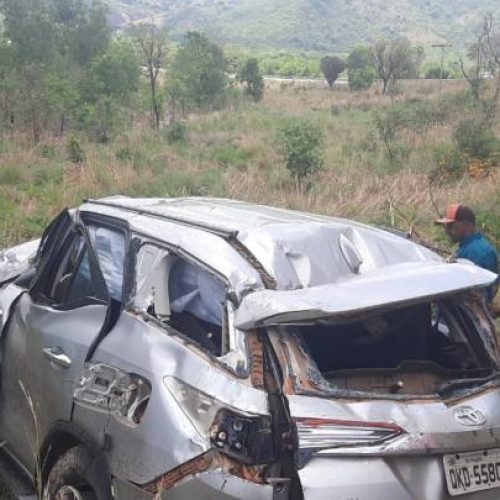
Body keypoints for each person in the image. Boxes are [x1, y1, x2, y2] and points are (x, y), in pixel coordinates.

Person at [436, 203, 498, 303]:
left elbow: (476, 296)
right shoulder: (467, 247)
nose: (447, 230)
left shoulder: (477, 252)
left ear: (466, 224)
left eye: (451, 225)